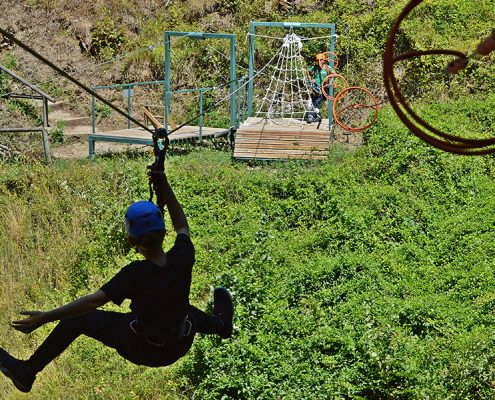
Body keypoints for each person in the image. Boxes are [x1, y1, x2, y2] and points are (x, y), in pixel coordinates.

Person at [0, 167, 234, 393]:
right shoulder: (183, 256)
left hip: (140, 346)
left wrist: (46, 317)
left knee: (78, 320)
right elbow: (182, 225)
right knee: (185, 311)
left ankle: (28, 370)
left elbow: (91, 303)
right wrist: (164, 185)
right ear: (164, 233)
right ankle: (221, 325)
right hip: (177, 344)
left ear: (132, 242)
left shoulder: (135, 275)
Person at [306, 53, 331, 124]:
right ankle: (317, 116)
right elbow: (308, 71)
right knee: (314, 102)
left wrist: (327, 78)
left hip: (323, 88)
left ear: (323, 60)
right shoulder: (315, 67)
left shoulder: (327, 68)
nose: (318, 62)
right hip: (315, 88)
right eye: (317, 60)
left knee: (317, 102)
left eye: (320, 60)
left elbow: (334, 74)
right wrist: (310, 79)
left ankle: (311, 116)